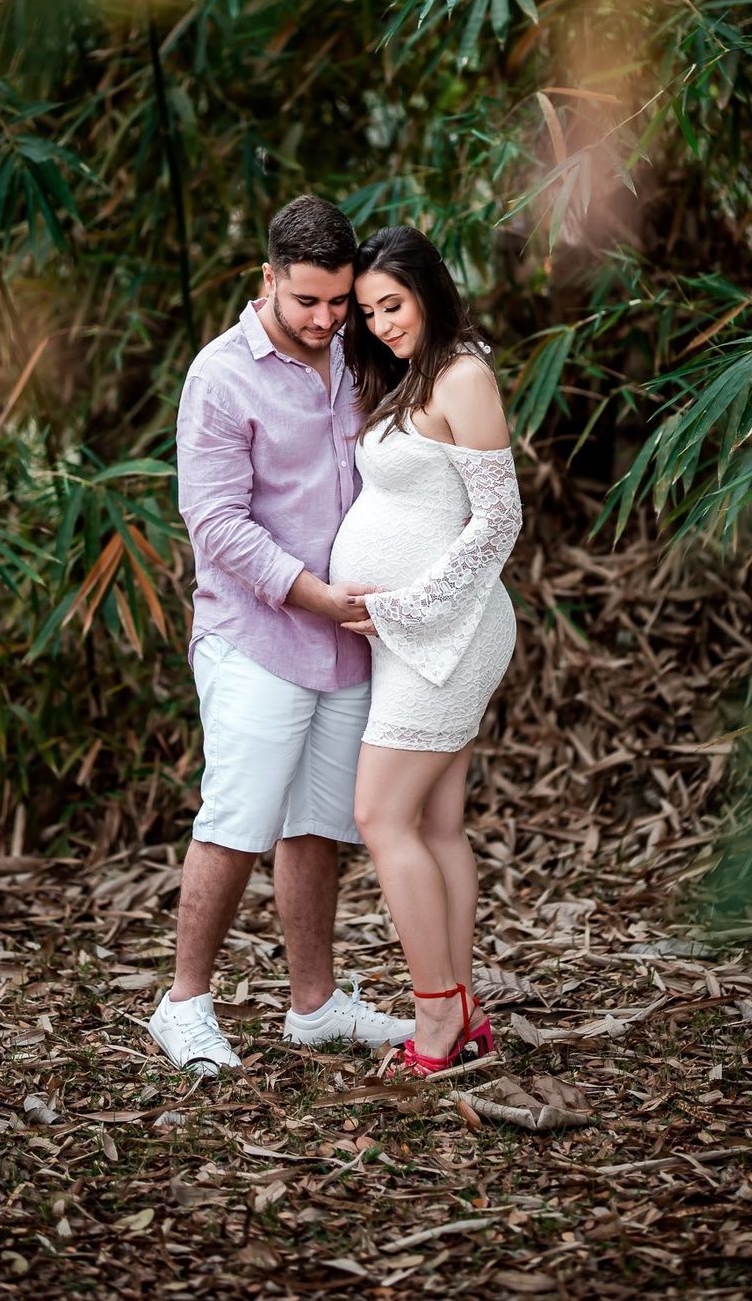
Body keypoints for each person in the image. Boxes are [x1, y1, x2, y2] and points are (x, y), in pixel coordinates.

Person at [148, 196, 413, 1073]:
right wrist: (317, 596)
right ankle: (183, 1004)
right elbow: (215, 523)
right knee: (238, 818)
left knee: (316, 825)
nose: (326, 319)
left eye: (339, 301)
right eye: (307, 301)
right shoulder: (219, 377)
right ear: (266, 280)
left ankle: (314, 1005)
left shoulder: (352, 351)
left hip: (344, 642)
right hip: (257, 635)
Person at [330, 225, 522, 1074]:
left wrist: (405, 606)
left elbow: (499, 522)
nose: (380, 323)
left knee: (381, 816)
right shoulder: (412, 378)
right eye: (367, 312)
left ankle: (437, 1016)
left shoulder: (464, 374)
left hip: (451, 633)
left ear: (429, 291)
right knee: (439, 826)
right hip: (413, 637)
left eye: (391, 304)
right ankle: (467, 1008)